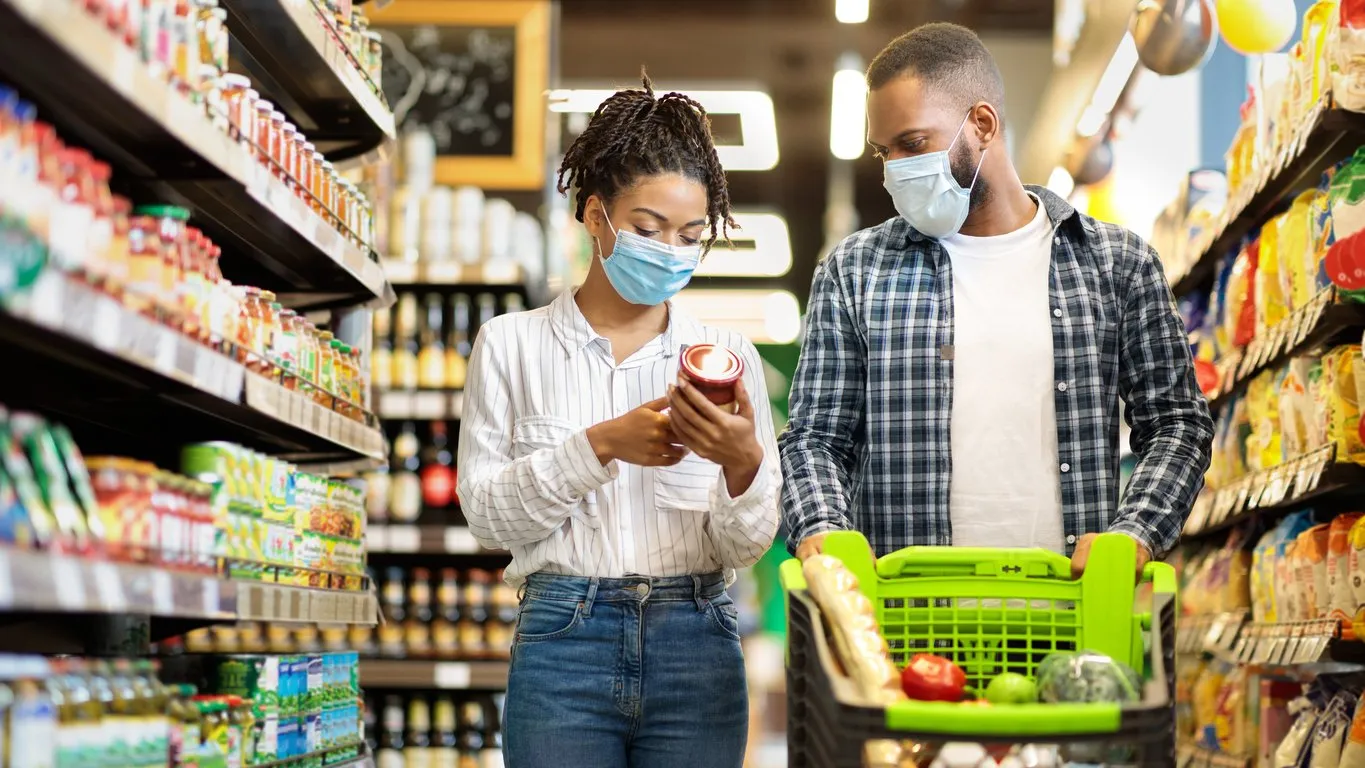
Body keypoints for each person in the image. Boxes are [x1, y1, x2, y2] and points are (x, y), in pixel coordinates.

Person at [778, 23, 1214, 576]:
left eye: (913, 144)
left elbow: (1178, 423)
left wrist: (1136, 533)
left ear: (982, 124)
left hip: (1069, 615)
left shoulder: (1117, 264)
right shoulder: (855, 272)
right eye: (884, 152)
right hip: (909, 620)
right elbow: (816, 439)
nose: (895, 170)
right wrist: (822, 527)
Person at [456, 75, 780, 768]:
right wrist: (600, 446)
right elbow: (487, 519)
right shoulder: (510, 344)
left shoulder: (728, 359)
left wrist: (740, 463)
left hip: (696, 641)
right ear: (596, 216)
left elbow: (744, 545)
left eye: (691, 235)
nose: (671, 249)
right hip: (561, 643)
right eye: (647, 228)